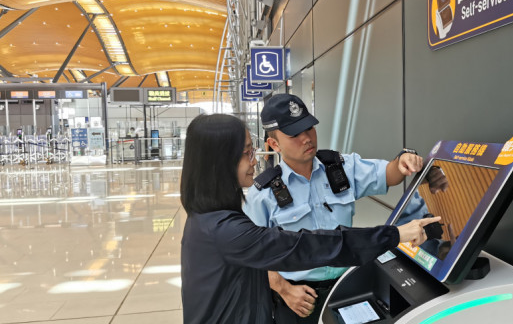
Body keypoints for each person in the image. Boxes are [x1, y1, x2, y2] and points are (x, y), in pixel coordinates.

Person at [180, 114, 440, 323]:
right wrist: (395, 235)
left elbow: (386, 174)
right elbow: (306, 246)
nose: (254, 162)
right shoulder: (226, 230)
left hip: (342, 285)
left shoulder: (210, 219)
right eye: (248, 153)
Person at [243, 94, 429, 323]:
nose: (307, 138)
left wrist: (402, 162)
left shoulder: (341, 168)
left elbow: (387, 174)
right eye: (295, 134)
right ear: (274, 144)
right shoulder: (264, 193)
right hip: (300, 300)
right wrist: (284, 289)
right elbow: (252, 256)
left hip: (349, 286)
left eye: (309, 128)